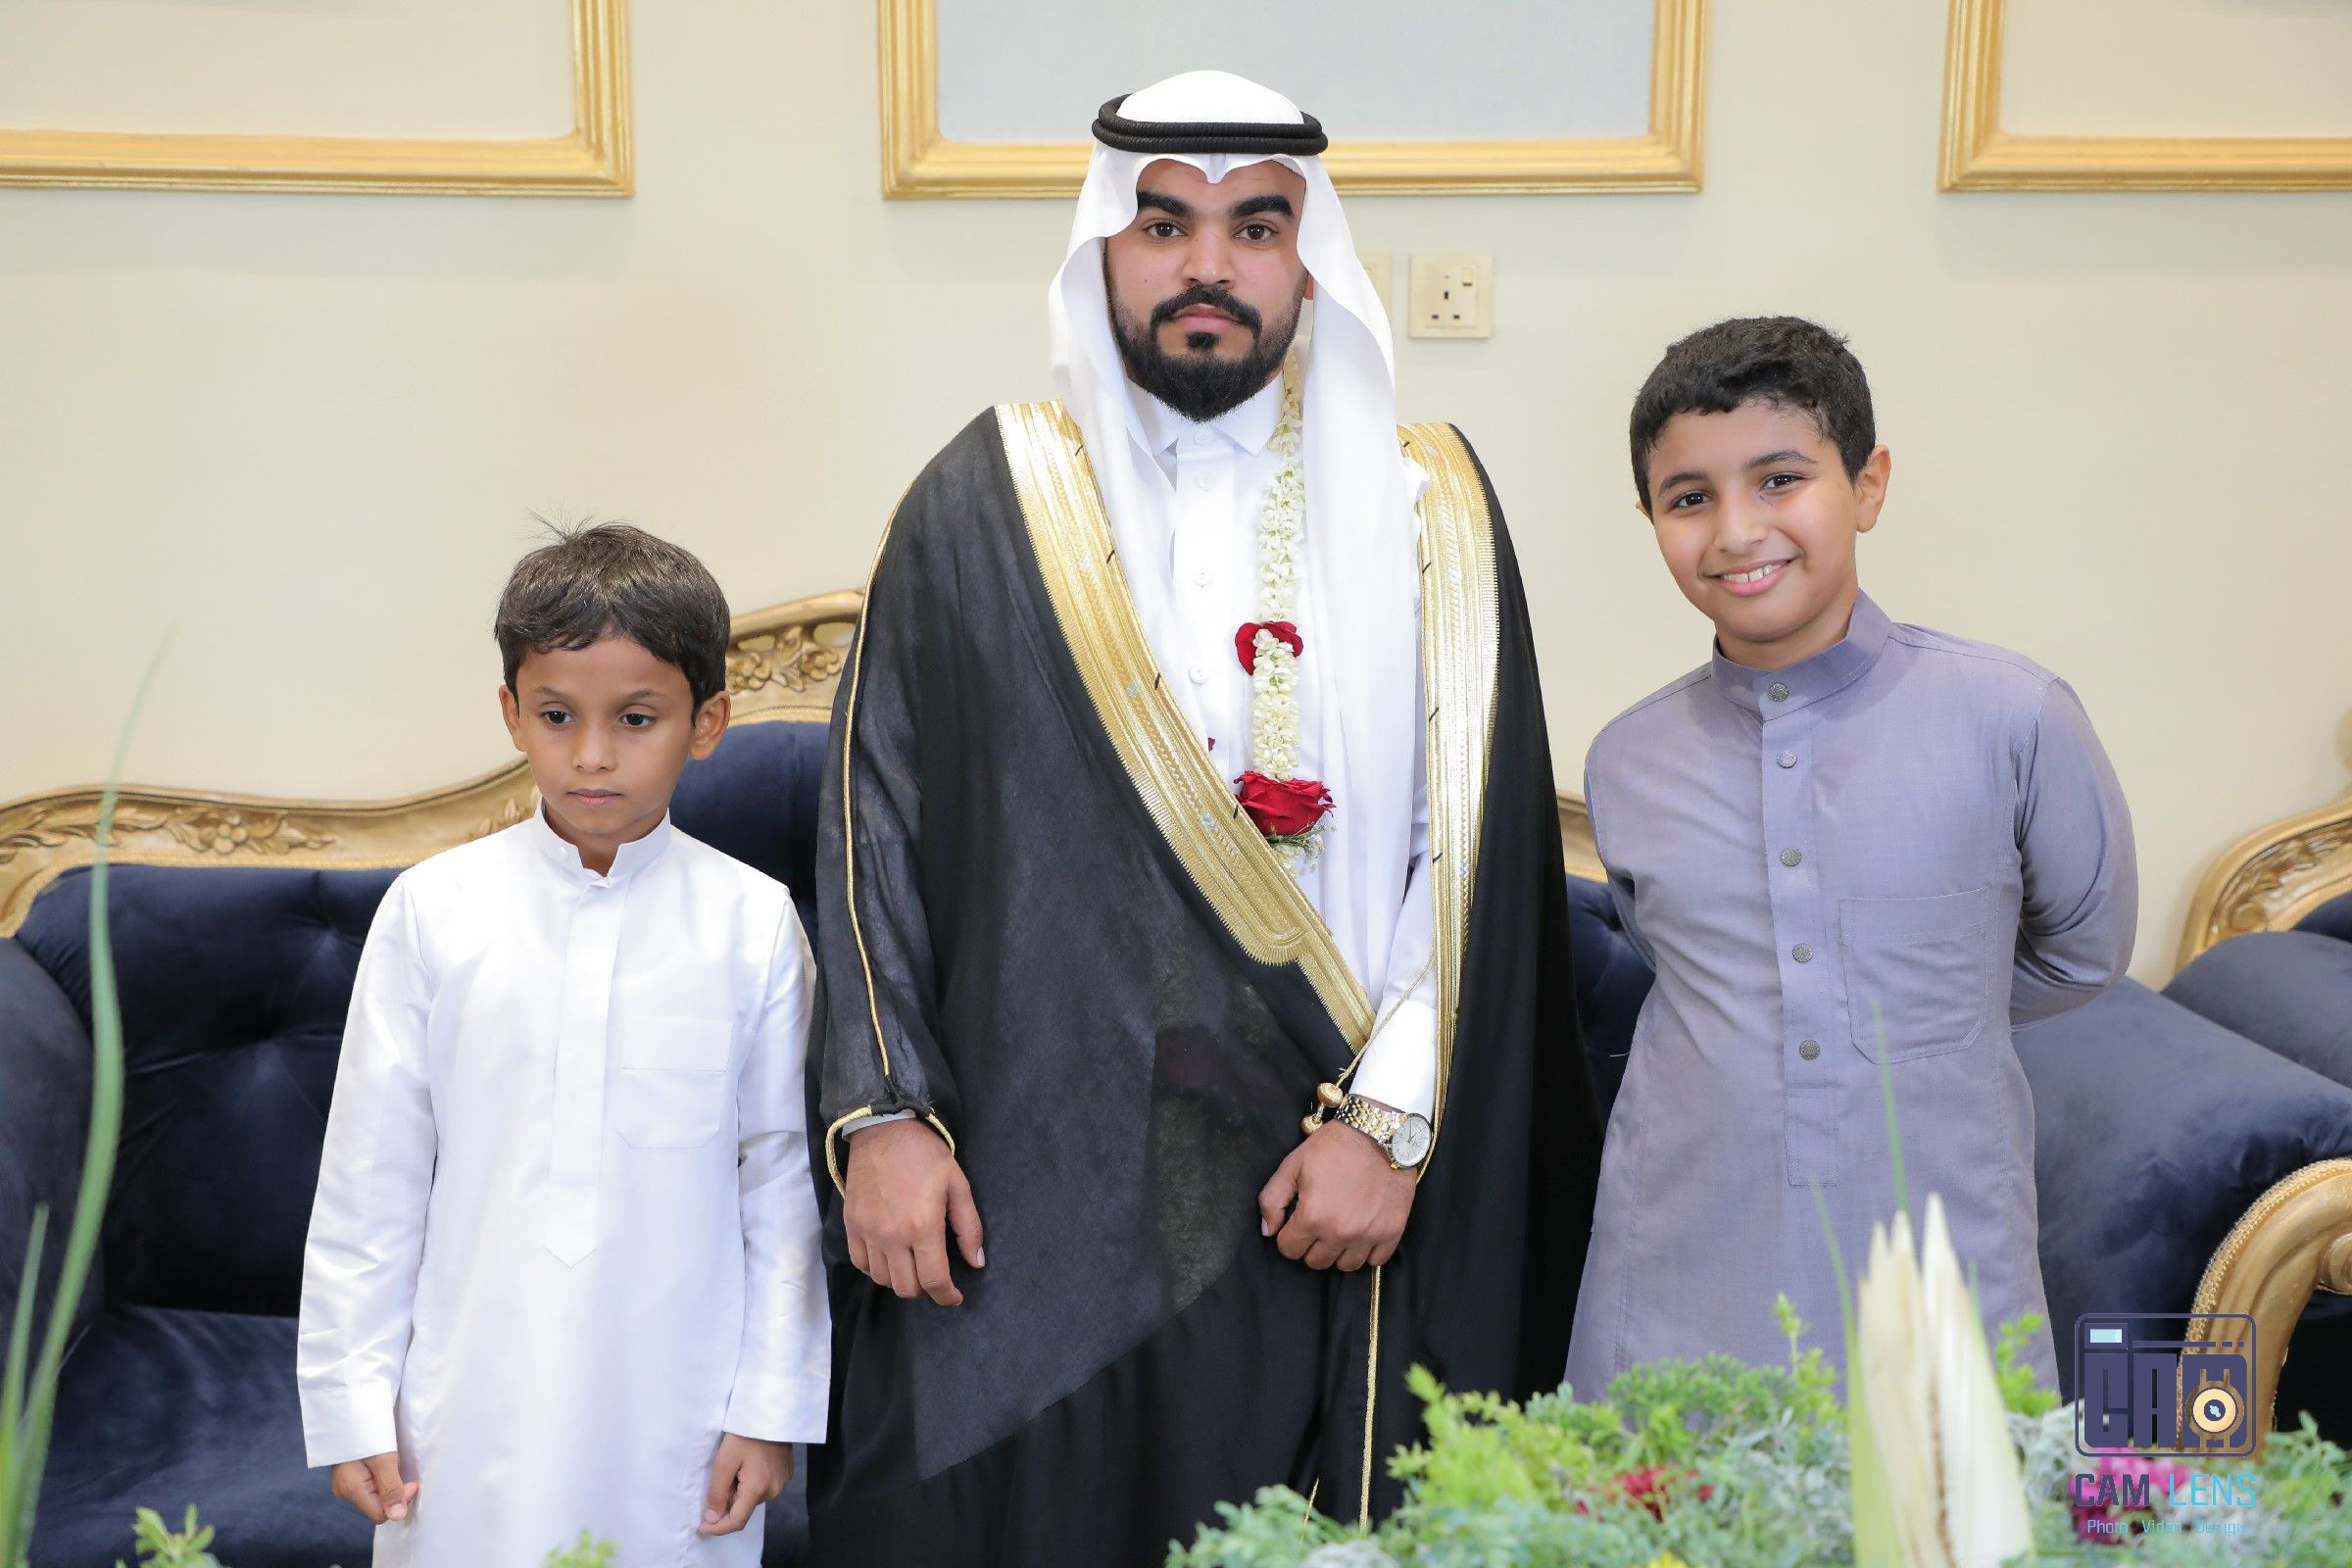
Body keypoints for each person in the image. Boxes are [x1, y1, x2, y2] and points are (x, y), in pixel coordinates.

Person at [808, 70, 1599, 1566]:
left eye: (1257, 228)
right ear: (1104, 248)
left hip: (1324, 1171)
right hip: (1035, 1174)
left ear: (1310, 258)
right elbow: (874, 828)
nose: (1208, 267)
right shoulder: (984, 501)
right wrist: (886, 1118)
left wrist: (1391, 1125)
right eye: (1163, 225)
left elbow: (1472, 863)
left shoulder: (1426, 510)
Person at [1564, 317, 2136, 1397]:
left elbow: (2083, 952)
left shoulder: (2013, 716)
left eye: (1780, 479)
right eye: (1689, 498)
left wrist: (1912, 1012)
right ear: (1652, 520)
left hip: (1940, 1238)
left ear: (1868, 486)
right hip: (1678, 1240)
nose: (1737, 530)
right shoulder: (1629, 758)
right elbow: (1679, 959)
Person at [295, 524, 828, 1565]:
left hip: (677, 1406)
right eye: (556, 716)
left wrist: (769, 1410)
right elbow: (370, 1177)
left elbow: (781, 1187)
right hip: (466, 1399)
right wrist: (353, 1401)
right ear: (511, 714)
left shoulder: (753, 922)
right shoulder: (433, 911)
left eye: (636, 718)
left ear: (707, 722)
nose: (592, 754)